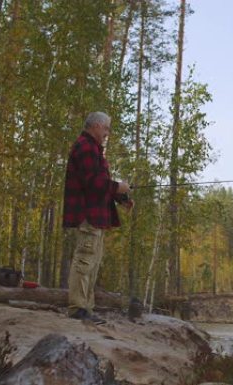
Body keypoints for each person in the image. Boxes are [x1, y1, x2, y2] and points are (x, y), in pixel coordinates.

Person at [62, 111, 132, 324]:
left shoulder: (93, 149)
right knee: (84, 261)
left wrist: (122, 197)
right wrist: (119, 187)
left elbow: (99, 184)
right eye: (106, 128)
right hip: (88, 216)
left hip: (96, 217)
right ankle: (77, 308)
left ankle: (86, 308)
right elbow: (94, 183)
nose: (108, 133)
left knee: (92, 263)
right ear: (95, 126)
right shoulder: (85, 147)